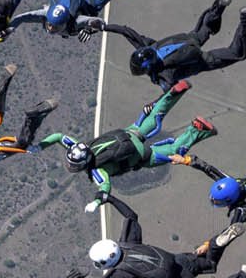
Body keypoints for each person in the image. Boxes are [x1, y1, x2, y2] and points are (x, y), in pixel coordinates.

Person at [62, 195, 246, 278]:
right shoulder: (128, 242)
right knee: (210, 264)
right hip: (180, 261)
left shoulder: (120, 276)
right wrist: (108, 198)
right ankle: (216, 244)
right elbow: (131, 215)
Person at [83, 0, 246, 86]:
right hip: (191, 38)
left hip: (201, 59)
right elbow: (126, 31)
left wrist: (152, 107)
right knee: (208, 26)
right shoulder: (146, 45)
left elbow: (169, 95)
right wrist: (102, 27)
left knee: (237, 54)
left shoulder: (164, 75)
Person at [40, 79, 214, 196]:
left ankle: (198, 129)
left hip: (139, 155)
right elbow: (58, 136)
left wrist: (99, 200)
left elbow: (105, 185)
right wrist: (38, 146)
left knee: (173, 152)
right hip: (130, 132)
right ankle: (174, 92)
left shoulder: (96, 171)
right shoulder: (78, 145)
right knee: (154, 116)